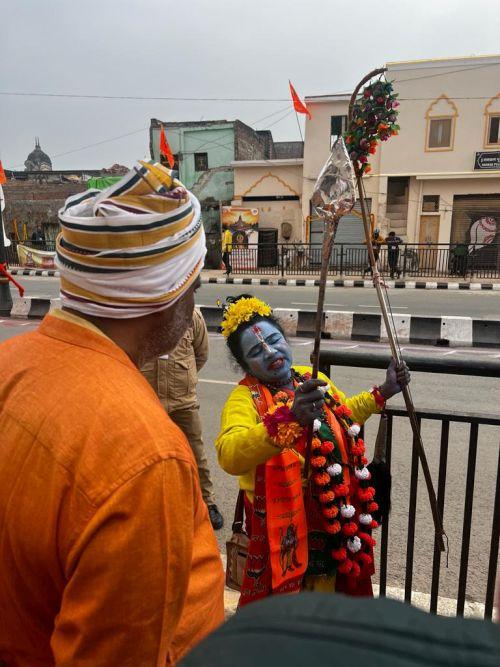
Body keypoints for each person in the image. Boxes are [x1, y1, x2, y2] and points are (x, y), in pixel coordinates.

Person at [0, 161, 224, 665]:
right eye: (192, 285)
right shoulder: (144, 457)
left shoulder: (8, 363)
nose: (193, 303)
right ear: (166, 295)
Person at [215, 295, 410, 607]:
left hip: (331, 514)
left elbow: (344, 413)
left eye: (275, 340)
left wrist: (384, 391)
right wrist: (288, 418)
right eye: (256, 352)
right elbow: (229, 455)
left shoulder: (309, 376)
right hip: (283, 529)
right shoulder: (244, 399)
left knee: (332, 599)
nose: (271, 352)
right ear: (244, 365)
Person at [142, 307, 224, 530]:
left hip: (182, 400)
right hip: (148, 399)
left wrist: (184, 377)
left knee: (196, 453)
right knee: (146, 456)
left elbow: (201, 354)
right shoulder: (139, 313)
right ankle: (149, 506)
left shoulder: (191, 315)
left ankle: (208, 502)